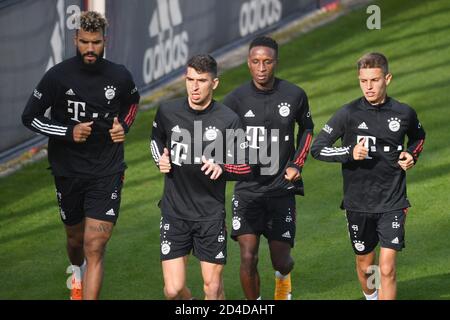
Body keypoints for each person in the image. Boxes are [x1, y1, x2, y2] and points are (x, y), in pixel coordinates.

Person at [22, 11, 140, 300]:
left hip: (107, 170)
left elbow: (133, 102)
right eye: (85, 42)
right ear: (75, 39)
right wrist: (67, 131)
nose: (90, 48)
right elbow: (30, 117)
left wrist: (123, 126)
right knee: (75, 240)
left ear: (105, 42)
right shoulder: (58, 76)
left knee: (95, 245)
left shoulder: (120, 75)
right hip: (68, 170)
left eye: (96, 43)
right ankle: (76, 274)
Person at [311, 52, 425, 300]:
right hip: (358, 203)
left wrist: (411, 155)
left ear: (388, 78)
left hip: (392, 201)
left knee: (387, 269)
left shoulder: (404, 113)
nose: (369, 87)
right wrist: (349, 152)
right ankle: (371, 297)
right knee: (366, 266)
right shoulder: (348, 113)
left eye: (374, 80)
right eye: (364, 81)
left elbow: (418, 137)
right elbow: (317, 149)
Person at [150, 54, 254, 300]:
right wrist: (160, 159)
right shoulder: (167, 111)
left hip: (210, 215)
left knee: (213, 288)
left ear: (214, 84)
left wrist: (223, 168)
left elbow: (245, 165)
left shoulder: (228, 120)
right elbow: (156, 140)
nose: (194, 86)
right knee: (173, 291)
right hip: (174, 212)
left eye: (201, 80)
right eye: (190, 79)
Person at [223, 36, 314, 300]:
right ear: (248, 63)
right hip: (247, 191)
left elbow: (307, 128)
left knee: (281, 261)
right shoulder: (235, 100)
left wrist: (297, 163)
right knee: (248, 258)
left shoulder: (294, 95)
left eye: (267, 62)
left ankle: (283, 279)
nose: (261, 68)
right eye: (255, 62)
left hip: (281, 190)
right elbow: (218, 136)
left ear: (276, 62)